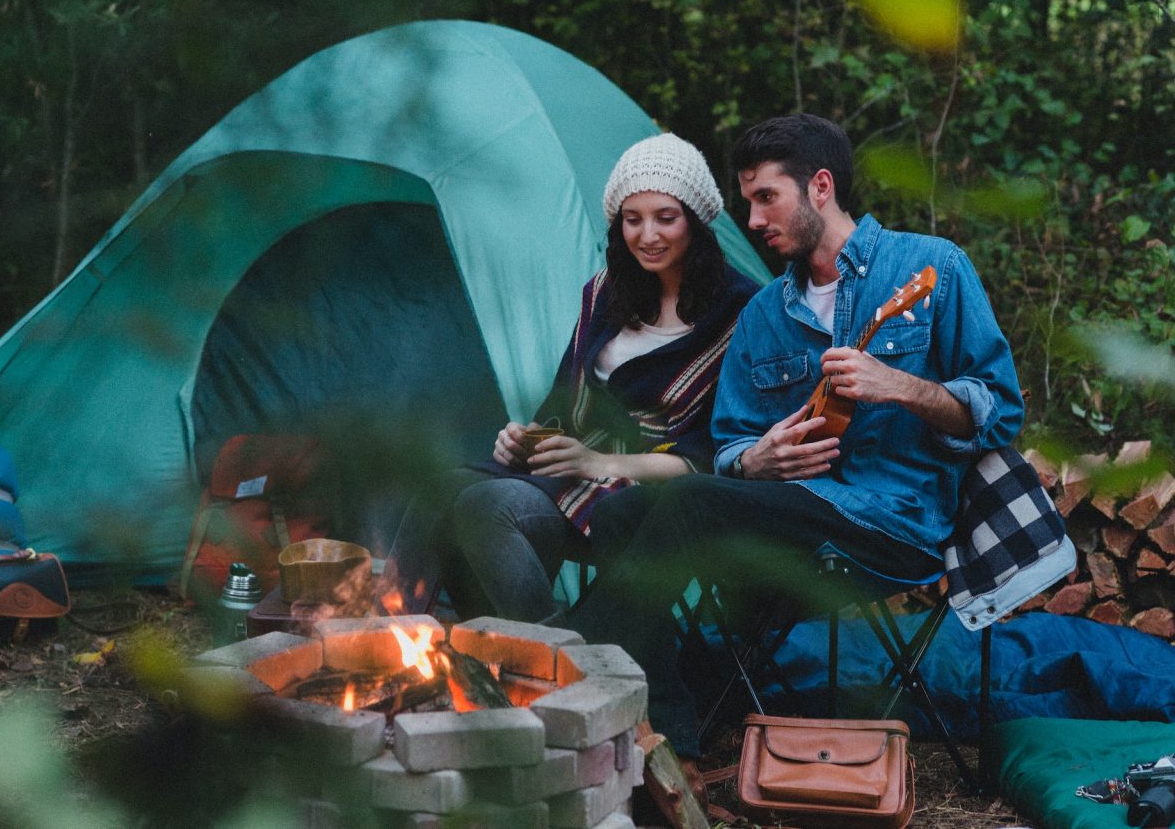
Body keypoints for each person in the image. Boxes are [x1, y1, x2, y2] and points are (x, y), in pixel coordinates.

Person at [568, 113, 1025, 770]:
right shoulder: (763, 314)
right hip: (788, 520)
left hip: (892, 523)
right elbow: (730, 442)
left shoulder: (933, 267)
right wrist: (754, 459)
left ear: (819, 187)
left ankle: (575, 665)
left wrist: (900, 385)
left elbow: (1001, 411)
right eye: (747, 201)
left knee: (691, 500)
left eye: (766, 198)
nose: (752, 220)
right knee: (619, 511)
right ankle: (670, 727)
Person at [382, 133, 758, 623]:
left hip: (645, 498)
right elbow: (561, 408)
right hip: (568, 473)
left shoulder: (741, 312)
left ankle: (561, 653)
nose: (647, 235)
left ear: (697, 219)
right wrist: (524, 441)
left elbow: (707, 458)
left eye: (666, 218)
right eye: (632, 219)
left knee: (487, 504)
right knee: (437, 490)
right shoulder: (606, 292)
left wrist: (596, 461)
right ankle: (387, 634)